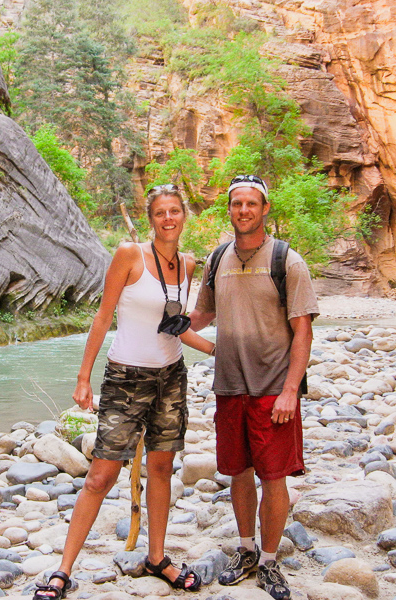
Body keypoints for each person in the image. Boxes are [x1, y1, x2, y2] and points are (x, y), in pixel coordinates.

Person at [33, 184, 215, 600]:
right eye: (160, 213)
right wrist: (83, 377)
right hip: (125, 378)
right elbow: (102, 318)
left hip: (171, 377)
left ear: (184, 216)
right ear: (150, 219)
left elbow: (178, 327)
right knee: (101, 474)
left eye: (175, 211)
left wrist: (220, 350)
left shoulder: (187, 265)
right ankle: (63, 570)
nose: (168, 219)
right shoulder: (129, 255)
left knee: (162, 469)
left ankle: (157, 557)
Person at [188, 175, 318, 600]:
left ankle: (269, 559)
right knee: (239, 472)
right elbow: (203, 315)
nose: (243, 210)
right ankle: (245, 549)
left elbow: (303, 333)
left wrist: (290, 391)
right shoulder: (217, 258)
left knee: (273, 476)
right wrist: (161, 319)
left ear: (265, 209)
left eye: (251, 204)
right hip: (229, 386)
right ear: (229, 209)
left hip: (271, 388)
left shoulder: (288, 261)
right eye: (236, 204)